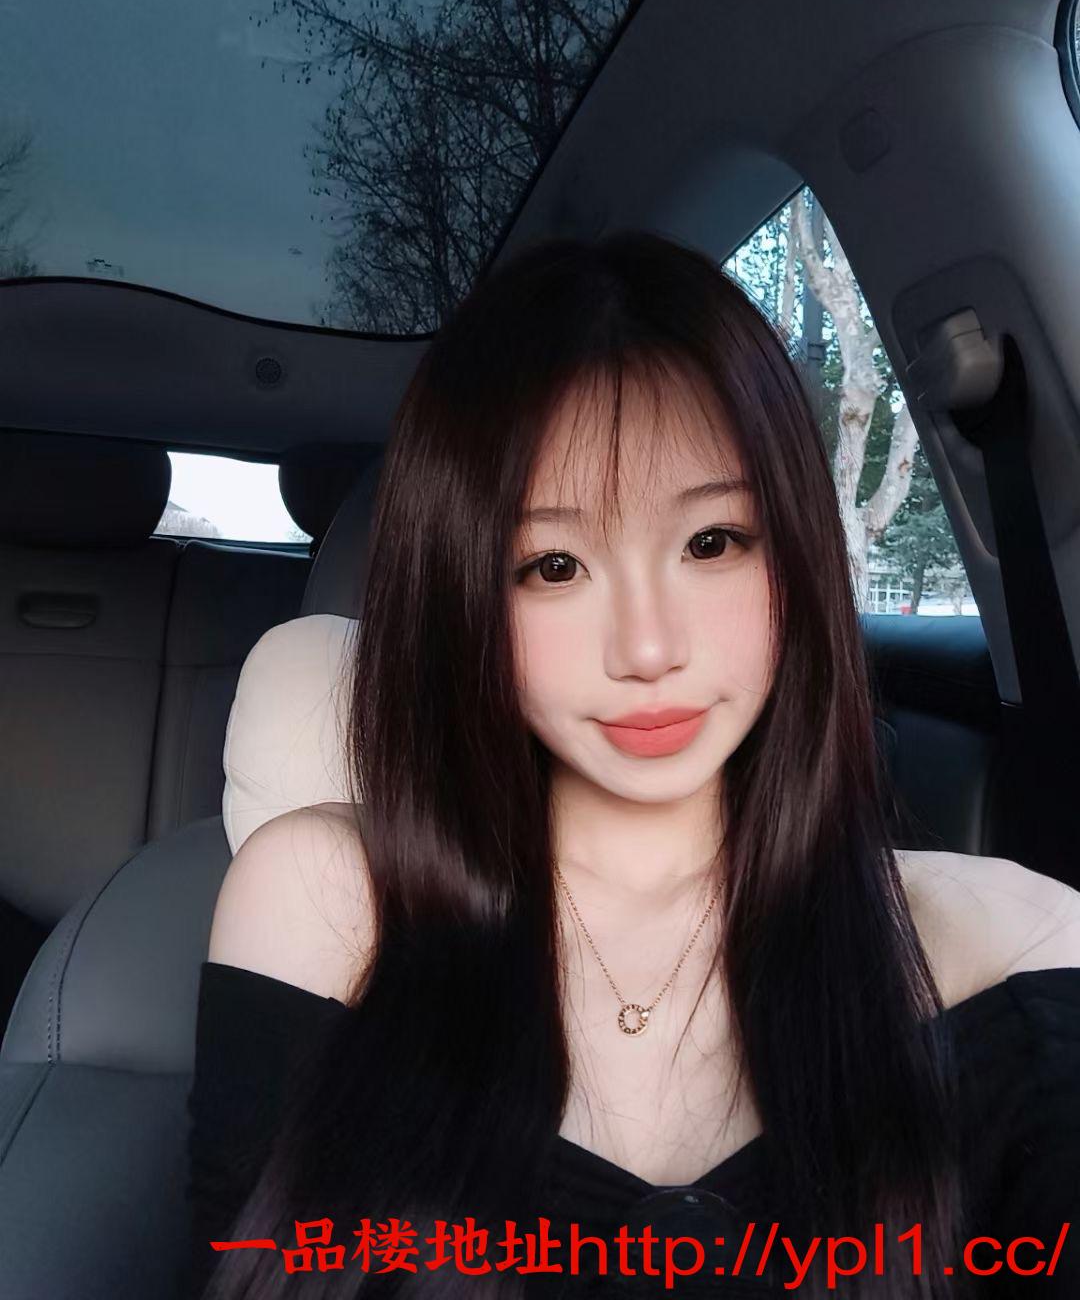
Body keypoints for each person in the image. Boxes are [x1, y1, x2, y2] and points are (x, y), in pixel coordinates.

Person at [185, 231, 1080, 1299]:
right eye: (554, 565)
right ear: (461, 599)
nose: (648, 649)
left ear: (794, 558)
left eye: (713, 543)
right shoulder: (327, 906)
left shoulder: (1015, 949)